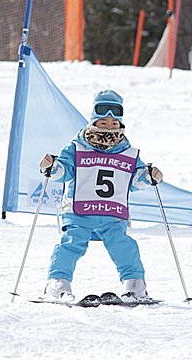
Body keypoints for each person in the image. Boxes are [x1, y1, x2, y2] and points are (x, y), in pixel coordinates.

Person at [39, 89, 164, 302]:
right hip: (80, 210)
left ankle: (135, 285)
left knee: (123, 245)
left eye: (114, 124)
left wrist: (149, 177)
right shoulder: (77, 147)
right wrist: (53, 167)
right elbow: (66, 171)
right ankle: (57, 282)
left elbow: (133, 180)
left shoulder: (128, 153)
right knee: (71, 243)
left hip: (112, 213)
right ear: (93, 122)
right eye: (103, 123)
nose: (109, 128)